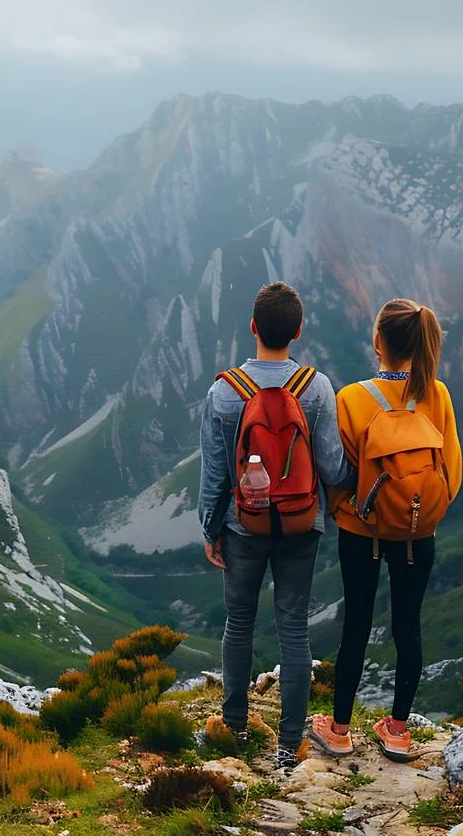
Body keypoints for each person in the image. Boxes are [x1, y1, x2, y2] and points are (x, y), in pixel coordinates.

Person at [199, 281, 351, 769]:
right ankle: (290, 746)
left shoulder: (224, 392)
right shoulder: (316, 387)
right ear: (298, 331)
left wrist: (210, 529)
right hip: (301, 525)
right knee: (294, 630)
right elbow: (330, 467)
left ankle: (235, 728)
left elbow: (215, 473)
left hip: (242, 528)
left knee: (238, 623)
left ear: (252, 326)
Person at [310, 298, 462, 762]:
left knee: (355, 625)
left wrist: (346, 512)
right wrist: (420, 513)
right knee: (408, 627)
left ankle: (338, 730)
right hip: (419, 533)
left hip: (362, 531)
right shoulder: (436, 394)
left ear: (378, 341)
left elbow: (336, 476)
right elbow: (451, 474)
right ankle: (397, 731)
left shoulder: (351, 399)